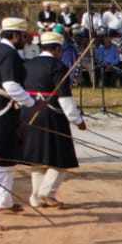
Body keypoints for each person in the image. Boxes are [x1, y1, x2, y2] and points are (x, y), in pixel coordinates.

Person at [0, 18, 36, 230]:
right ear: (15, 35)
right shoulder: (9, 53)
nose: (26, 39)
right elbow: (11, 85)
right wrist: (32, 103)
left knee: (8, 158)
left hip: (2, 107)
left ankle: (4, 202)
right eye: (23, 35)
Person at [20, 32, 85, 208]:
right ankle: (47, 192)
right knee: (61, 157)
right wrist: (77, 120)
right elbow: (65, 98)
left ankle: (36, 198)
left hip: (28, 112)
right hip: (51, 115)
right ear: (57, 49)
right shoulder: (58, 66)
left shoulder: (27, 64)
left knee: (38, 158)